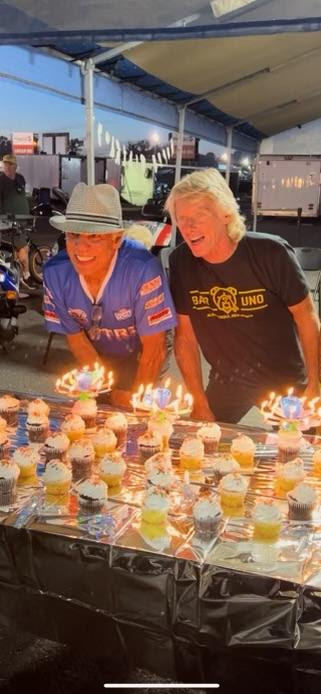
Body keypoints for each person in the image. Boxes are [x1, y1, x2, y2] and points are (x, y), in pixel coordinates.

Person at [165, 168, 320, 424]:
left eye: (199, 216)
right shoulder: (181, 262)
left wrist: (315, 384)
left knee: (298, 453)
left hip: (284, 378)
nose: (188, 227)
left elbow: (306, 317)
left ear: (226, 213)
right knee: (199, 444)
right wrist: (199, 401)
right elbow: (185, 337)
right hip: (228, 380)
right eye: (181, 219)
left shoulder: (271, 253)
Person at [43, 182, 177, 409]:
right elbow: (77, 340)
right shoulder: (55, 273)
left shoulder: (142, 269)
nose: (80, 247)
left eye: (94, 237)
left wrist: (132, 400)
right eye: (73, 235)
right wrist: (107, 389)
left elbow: (154, 349)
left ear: (116, 239)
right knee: (99, 407)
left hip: (145, 346)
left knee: (143, 409)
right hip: (99, 347)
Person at [0, 154, 35, 295]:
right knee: (20, 249)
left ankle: (18, 280)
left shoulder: (20, 178)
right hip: (6, 221)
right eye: (6, 164)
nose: (8, 166)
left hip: (22, 219)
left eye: (10, 164)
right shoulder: (0, 180)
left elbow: (22, 195)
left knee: (19, 250)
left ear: (15, 166)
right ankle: (25, 276)